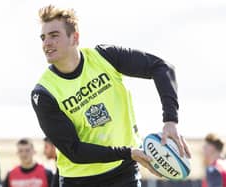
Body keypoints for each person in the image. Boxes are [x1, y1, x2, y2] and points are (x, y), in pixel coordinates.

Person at [31, 5, 191, 187]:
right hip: (79, 181)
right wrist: (128, 152)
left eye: (54, 35)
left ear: (75, 37)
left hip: (124, 172)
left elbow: (162, 68)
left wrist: (171, 120)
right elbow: (74, 151)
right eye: (43, 38)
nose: (46, 43)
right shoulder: (43, 93)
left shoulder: (104, 57)